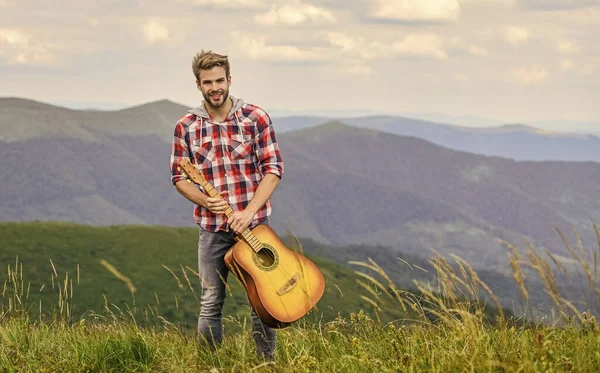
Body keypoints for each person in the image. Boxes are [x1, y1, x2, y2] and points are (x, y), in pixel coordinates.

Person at [169, 50, 284, 359]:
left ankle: (266, 364)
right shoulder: (186, 126)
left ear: (229, 80)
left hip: (255, 227)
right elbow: (178, 178)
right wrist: (205, 200)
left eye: (220, 80)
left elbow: (273, 170)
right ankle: (209, 364)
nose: (215, 87)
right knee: (210, 300)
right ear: (198, 85)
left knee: (263, 300)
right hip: (212, 230)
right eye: (208, 82)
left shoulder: (255, 118)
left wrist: (248, 214)